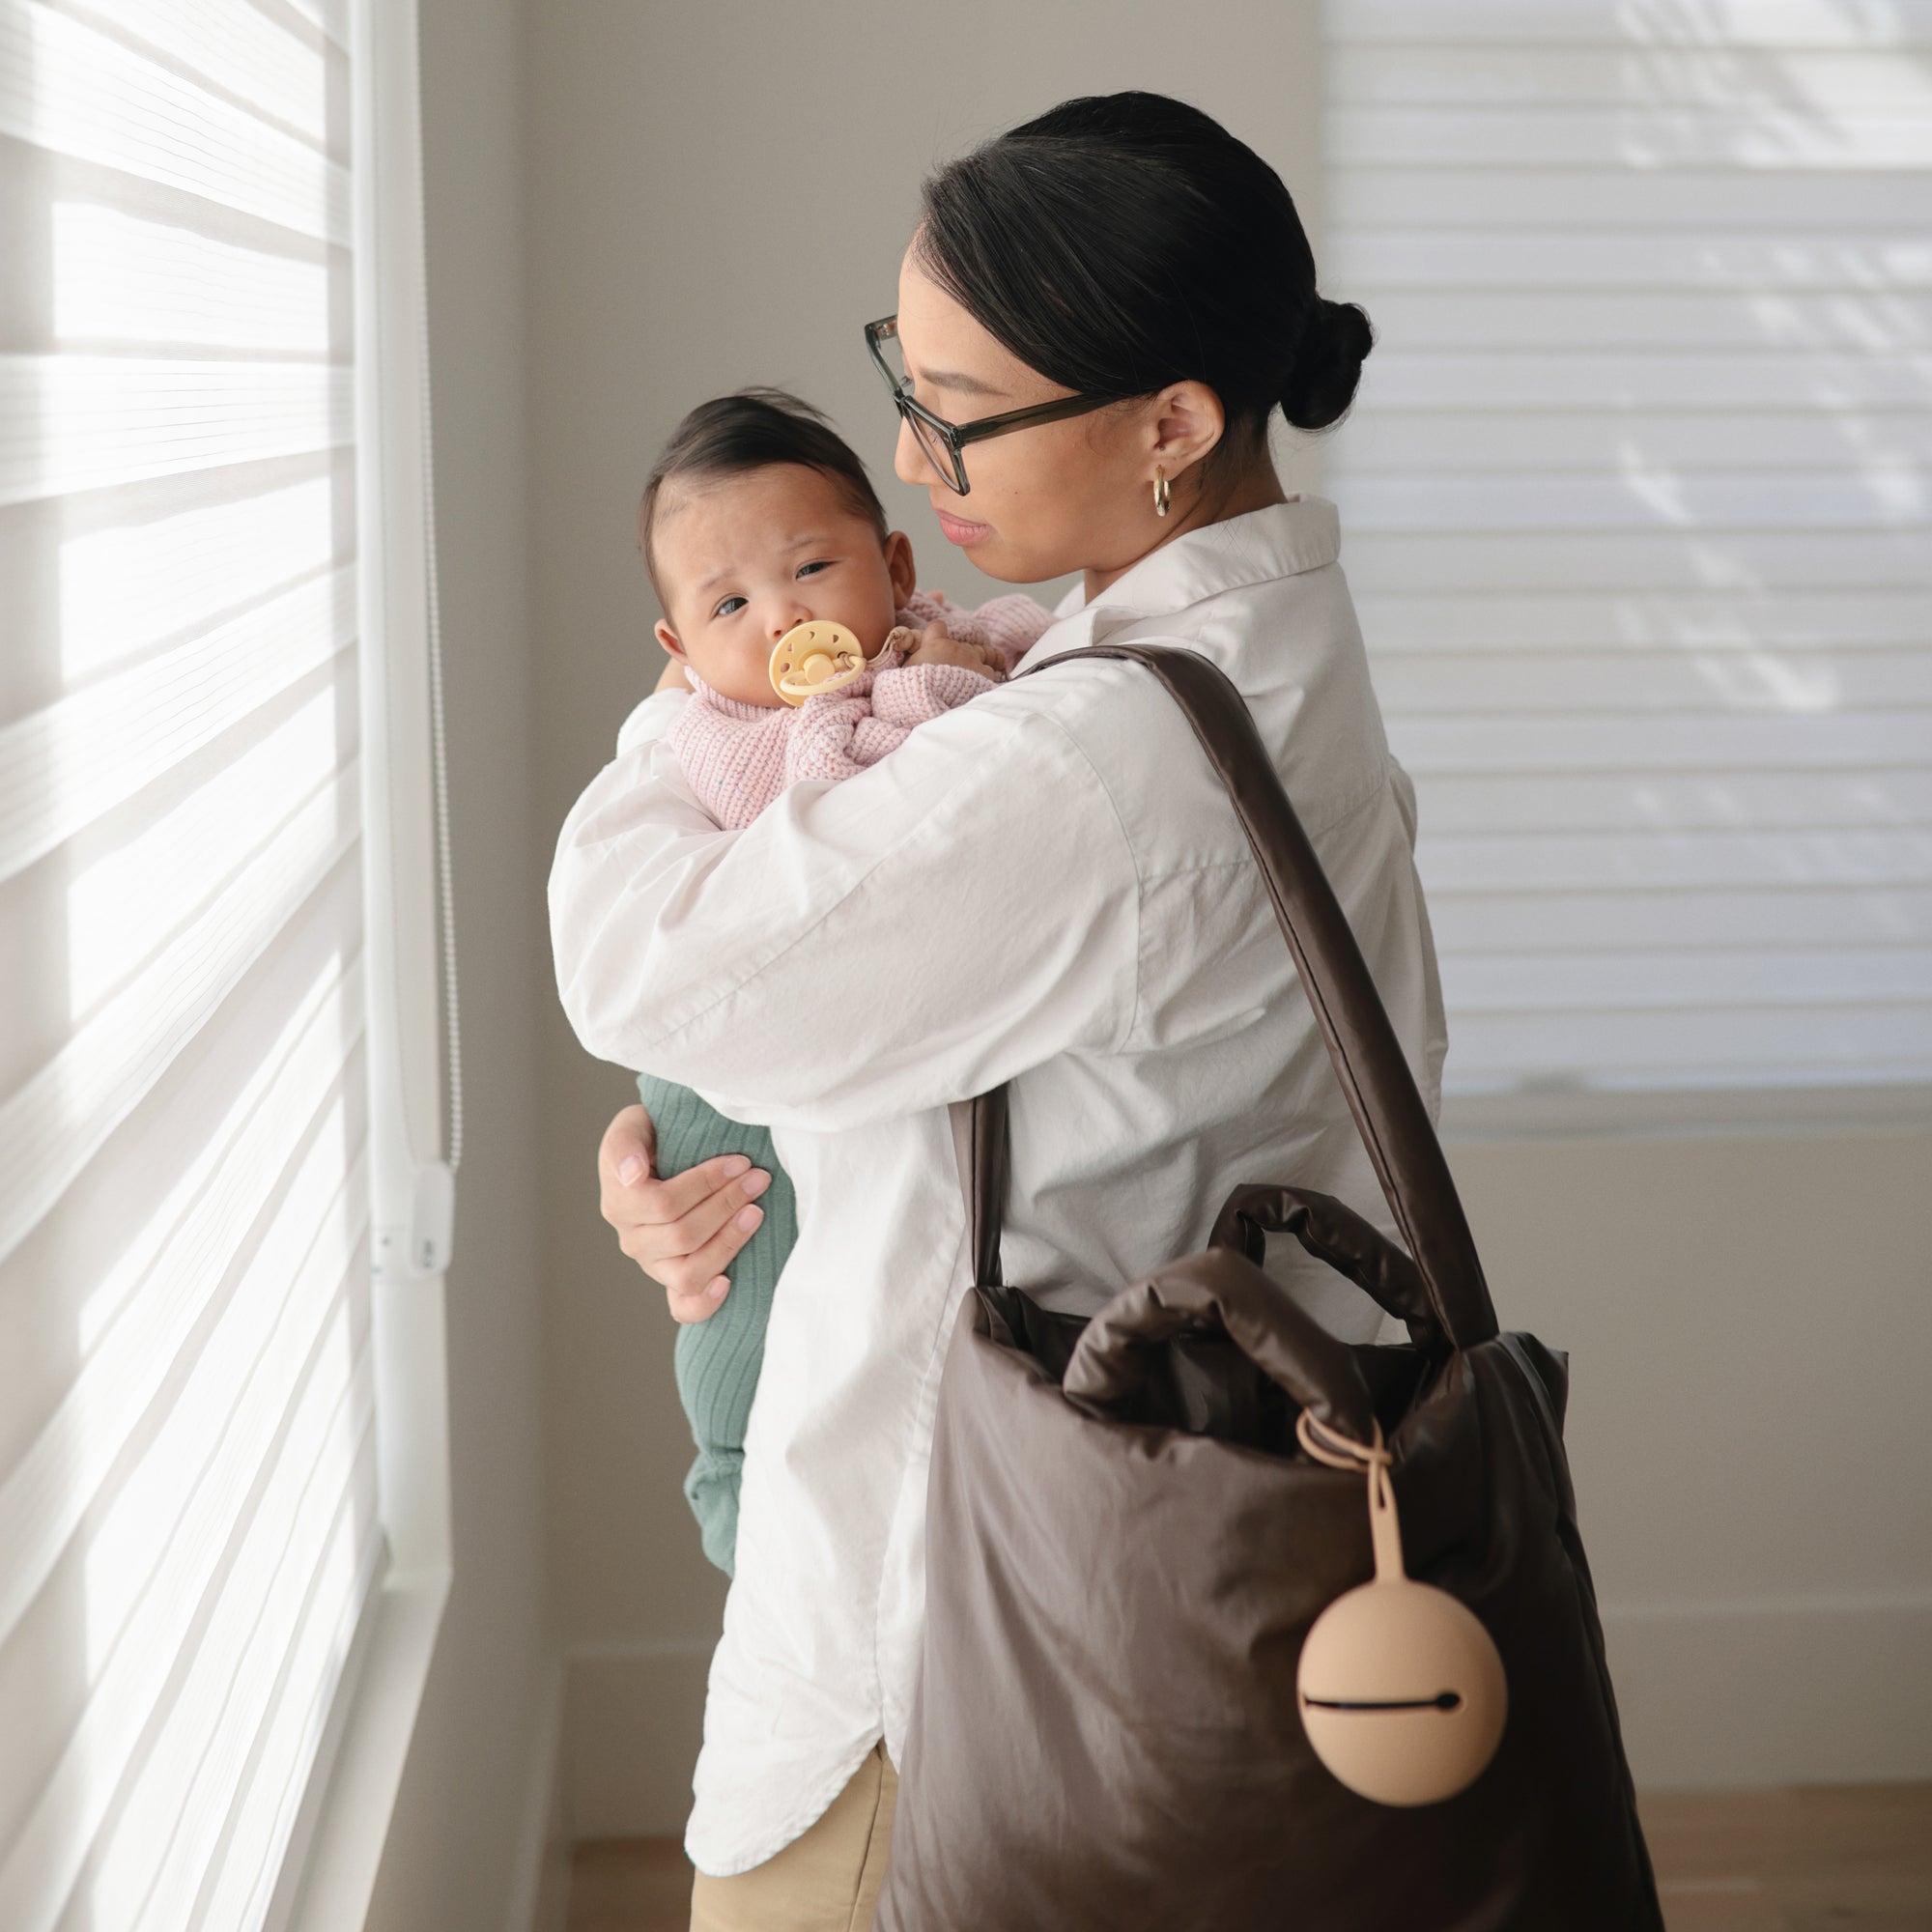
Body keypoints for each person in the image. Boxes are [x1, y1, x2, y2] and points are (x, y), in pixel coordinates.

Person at [550, 91, 1447, 1932]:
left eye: (958, 406)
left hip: (949, 1655)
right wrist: (761, 1152)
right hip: (1140, 1586)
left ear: (1174, 425)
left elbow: (638, 960)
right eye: (903, 369)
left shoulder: (1094, 756)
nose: (906, 444)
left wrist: (705, 695)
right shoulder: (1247, 650)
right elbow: (1037, 1063)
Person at [632, 387, 1051, 1575]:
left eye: (811, 566)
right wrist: (907, 686)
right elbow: (827, 800)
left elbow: (1014, 672)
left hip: (833, 1031)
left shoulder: (952, 628)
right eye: (728, 604)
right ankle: (731, 1483)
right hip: (716, 1088)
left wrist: (945, 659)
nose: (782, 618)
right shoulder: (721, 726)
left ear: (896, 560)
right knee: (740, 1292)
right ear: (678, 652)